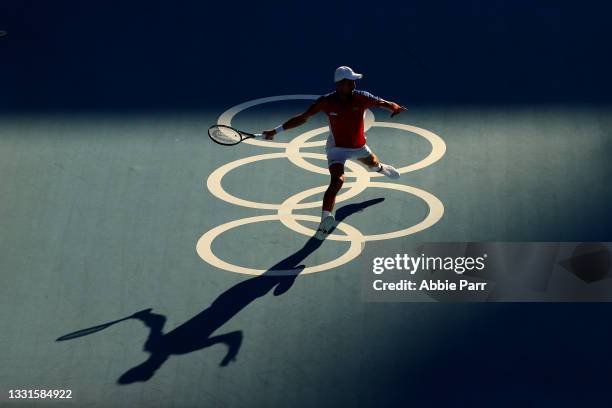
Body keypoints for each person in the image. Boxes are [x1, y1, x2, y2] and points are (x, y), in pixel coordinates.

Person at [262, 66, 407, 239]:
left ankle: (381, 168)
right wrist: (276, 131)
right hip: (336, 149)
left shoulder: (362, 97)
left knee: (374, 165)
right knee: (337, 181)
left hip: (358, 146)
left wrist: (393, 107)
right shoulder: (326, 101)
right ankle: (325, 220)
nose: (354, 84)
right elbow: (303, 117)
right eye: (350, 81)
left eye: (354, 81)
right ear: (340, 85)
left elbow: (382, 103)